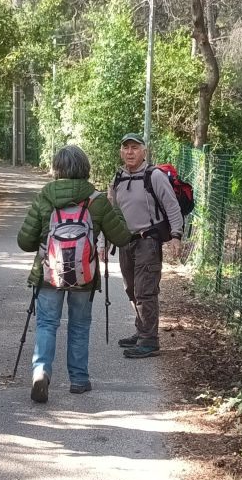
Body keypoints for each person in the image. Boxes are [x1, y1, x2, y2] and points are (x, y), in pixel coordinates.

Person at [17, 145, 132, 403]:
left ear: (57, 169)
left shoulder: (45, 197)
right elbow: (122, 237)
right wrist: (117, 211)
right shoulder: (96, 200)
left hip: (49, 274)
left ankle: (41, 372)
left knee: (47, 323)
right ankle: (78, 380)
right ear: (85, 168)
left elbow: (24, 242)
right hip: (84, 276)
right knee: (79, 325)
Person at [108, 133, 184, 359]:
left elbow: (172, 206)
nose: (129, 152)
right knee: (131, 289)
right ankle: (142, 331)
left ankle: (149, 340)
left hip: (148, 242)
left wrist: (176, 235)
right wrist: (103, 241)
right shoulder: (118, 177)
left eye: (134, 147)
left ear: (144, 151)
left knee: (145, 290)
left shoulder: (155, 176)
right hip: (125, 241)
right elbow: (111, 212)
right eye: (126, 148)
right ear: (121, 152)